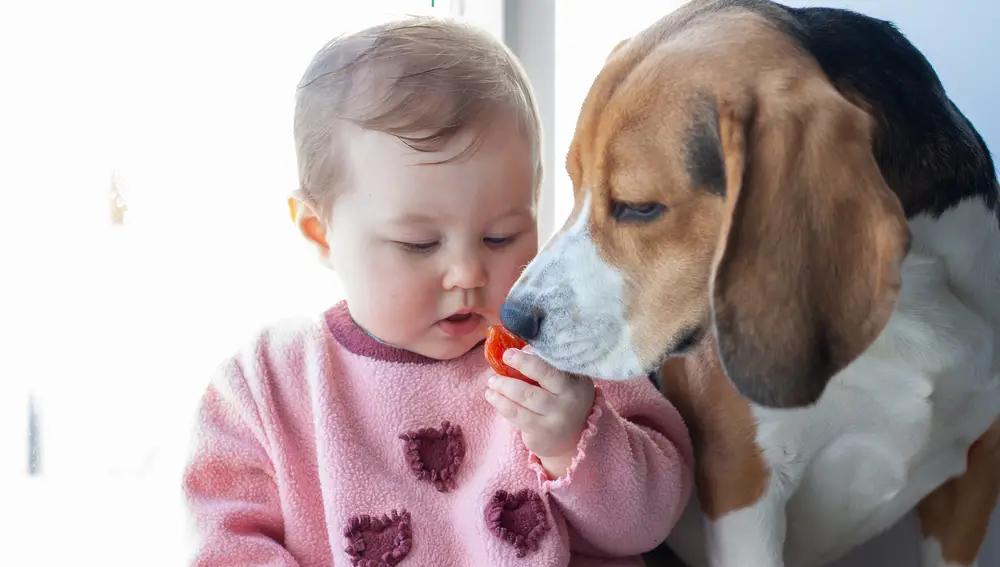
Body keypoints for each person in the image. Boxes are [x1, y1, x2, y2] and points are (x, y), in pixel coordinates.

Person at [182, 16, 694, 567]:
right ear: (320, 232)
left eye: (501, 236)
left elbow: (650, 522)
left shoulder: (562, 348)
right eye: (419, 244)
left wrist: (576, 440)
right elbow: (224, 548)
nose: (467, 273)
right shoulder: (265, 388)